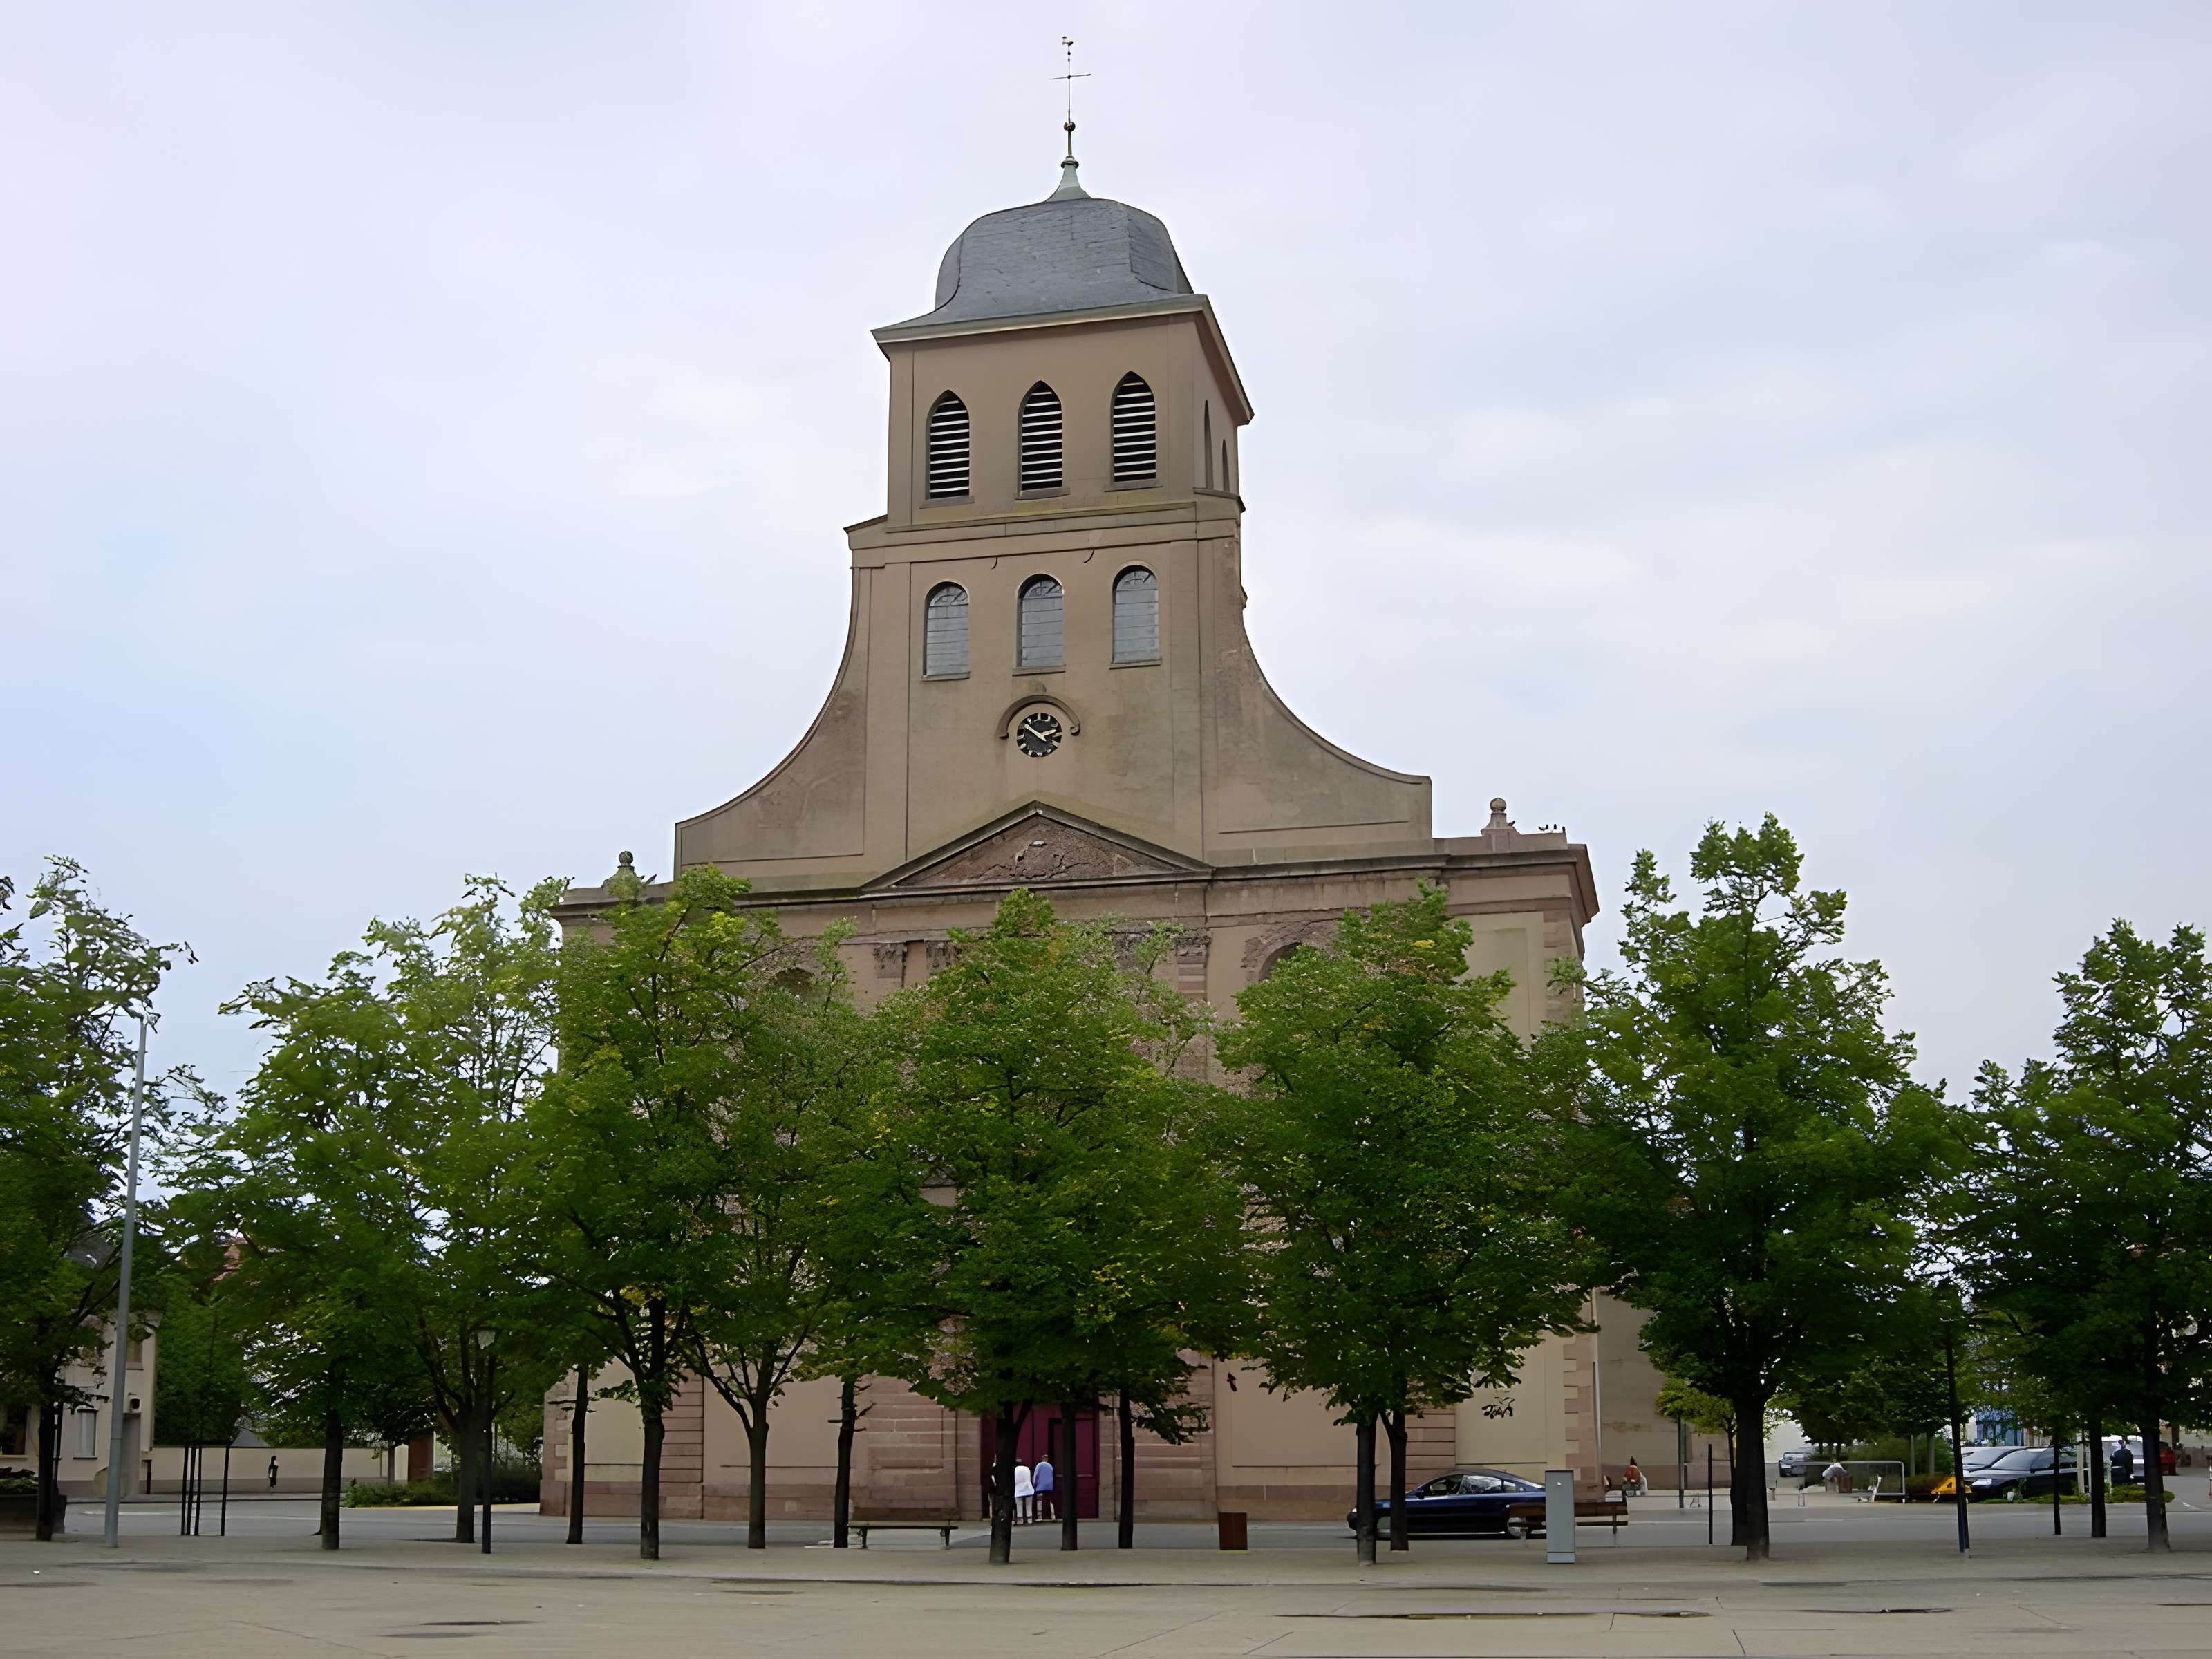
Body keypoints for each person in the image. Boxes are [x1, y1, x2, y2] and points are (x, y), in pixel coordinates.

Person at [1033, 1454, 1057, 1523]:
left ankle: (1040, 1517)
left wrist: (1035, 1484)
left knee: (1039, 1501)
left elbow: (1036, 1475)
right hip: (1049, 1487)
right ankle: (1053, 1516)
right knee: (1050, 1501)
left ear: (1042, 1459)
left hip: (1040, 1487)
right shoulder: (1050, 1466)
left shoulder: (1039, 1465)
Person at [1013, 1460, 1033, 1524]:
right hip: (1029, 1488)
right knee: (1029, 1505)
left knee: (1019, 1505)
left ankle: (1020, 1520)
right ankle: (1030, 1520)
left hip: (1019, 1489)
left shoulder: (1015, 1469)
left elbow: (1015, 1480)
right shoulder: (1027, 1468)